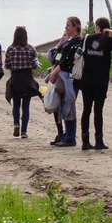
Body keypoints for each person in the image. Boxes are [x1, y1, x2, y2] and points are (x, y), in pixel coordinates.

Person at [79, 16, 112, 150]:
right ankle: (99, 141)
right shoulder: (108, 41)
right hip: (101, 81)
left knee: (86, 110)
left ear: (97, 26)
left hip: (86, 80)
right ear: (106, 27)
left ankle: (85, 141)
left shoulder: (88, 38)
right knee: (98, 110)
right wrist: (111, 32)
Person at [47, 15, 83, 147]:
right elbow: (56, 56)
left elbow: (68, 61)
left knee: (68, 104)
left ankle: (70, 137)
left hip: (69, 77)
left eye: (68, 25)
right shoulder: (68, 41)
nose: (66, 28)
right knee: (62, 104)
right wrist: (62, 41)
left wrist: (55, 72)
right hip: (62, 75)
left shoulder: (77, 42)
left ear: (75, 27)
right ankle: (65, 135)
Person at [3, 25, 41, 138]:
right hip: (27, 79)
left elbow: (7, 65)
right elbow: (35, 65)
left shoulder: (10, 49)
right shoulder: (31, 49)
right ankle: (24, 132)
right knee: (26, 106)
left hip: (15, 79)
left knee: (16, 105)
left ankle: (16, 124)